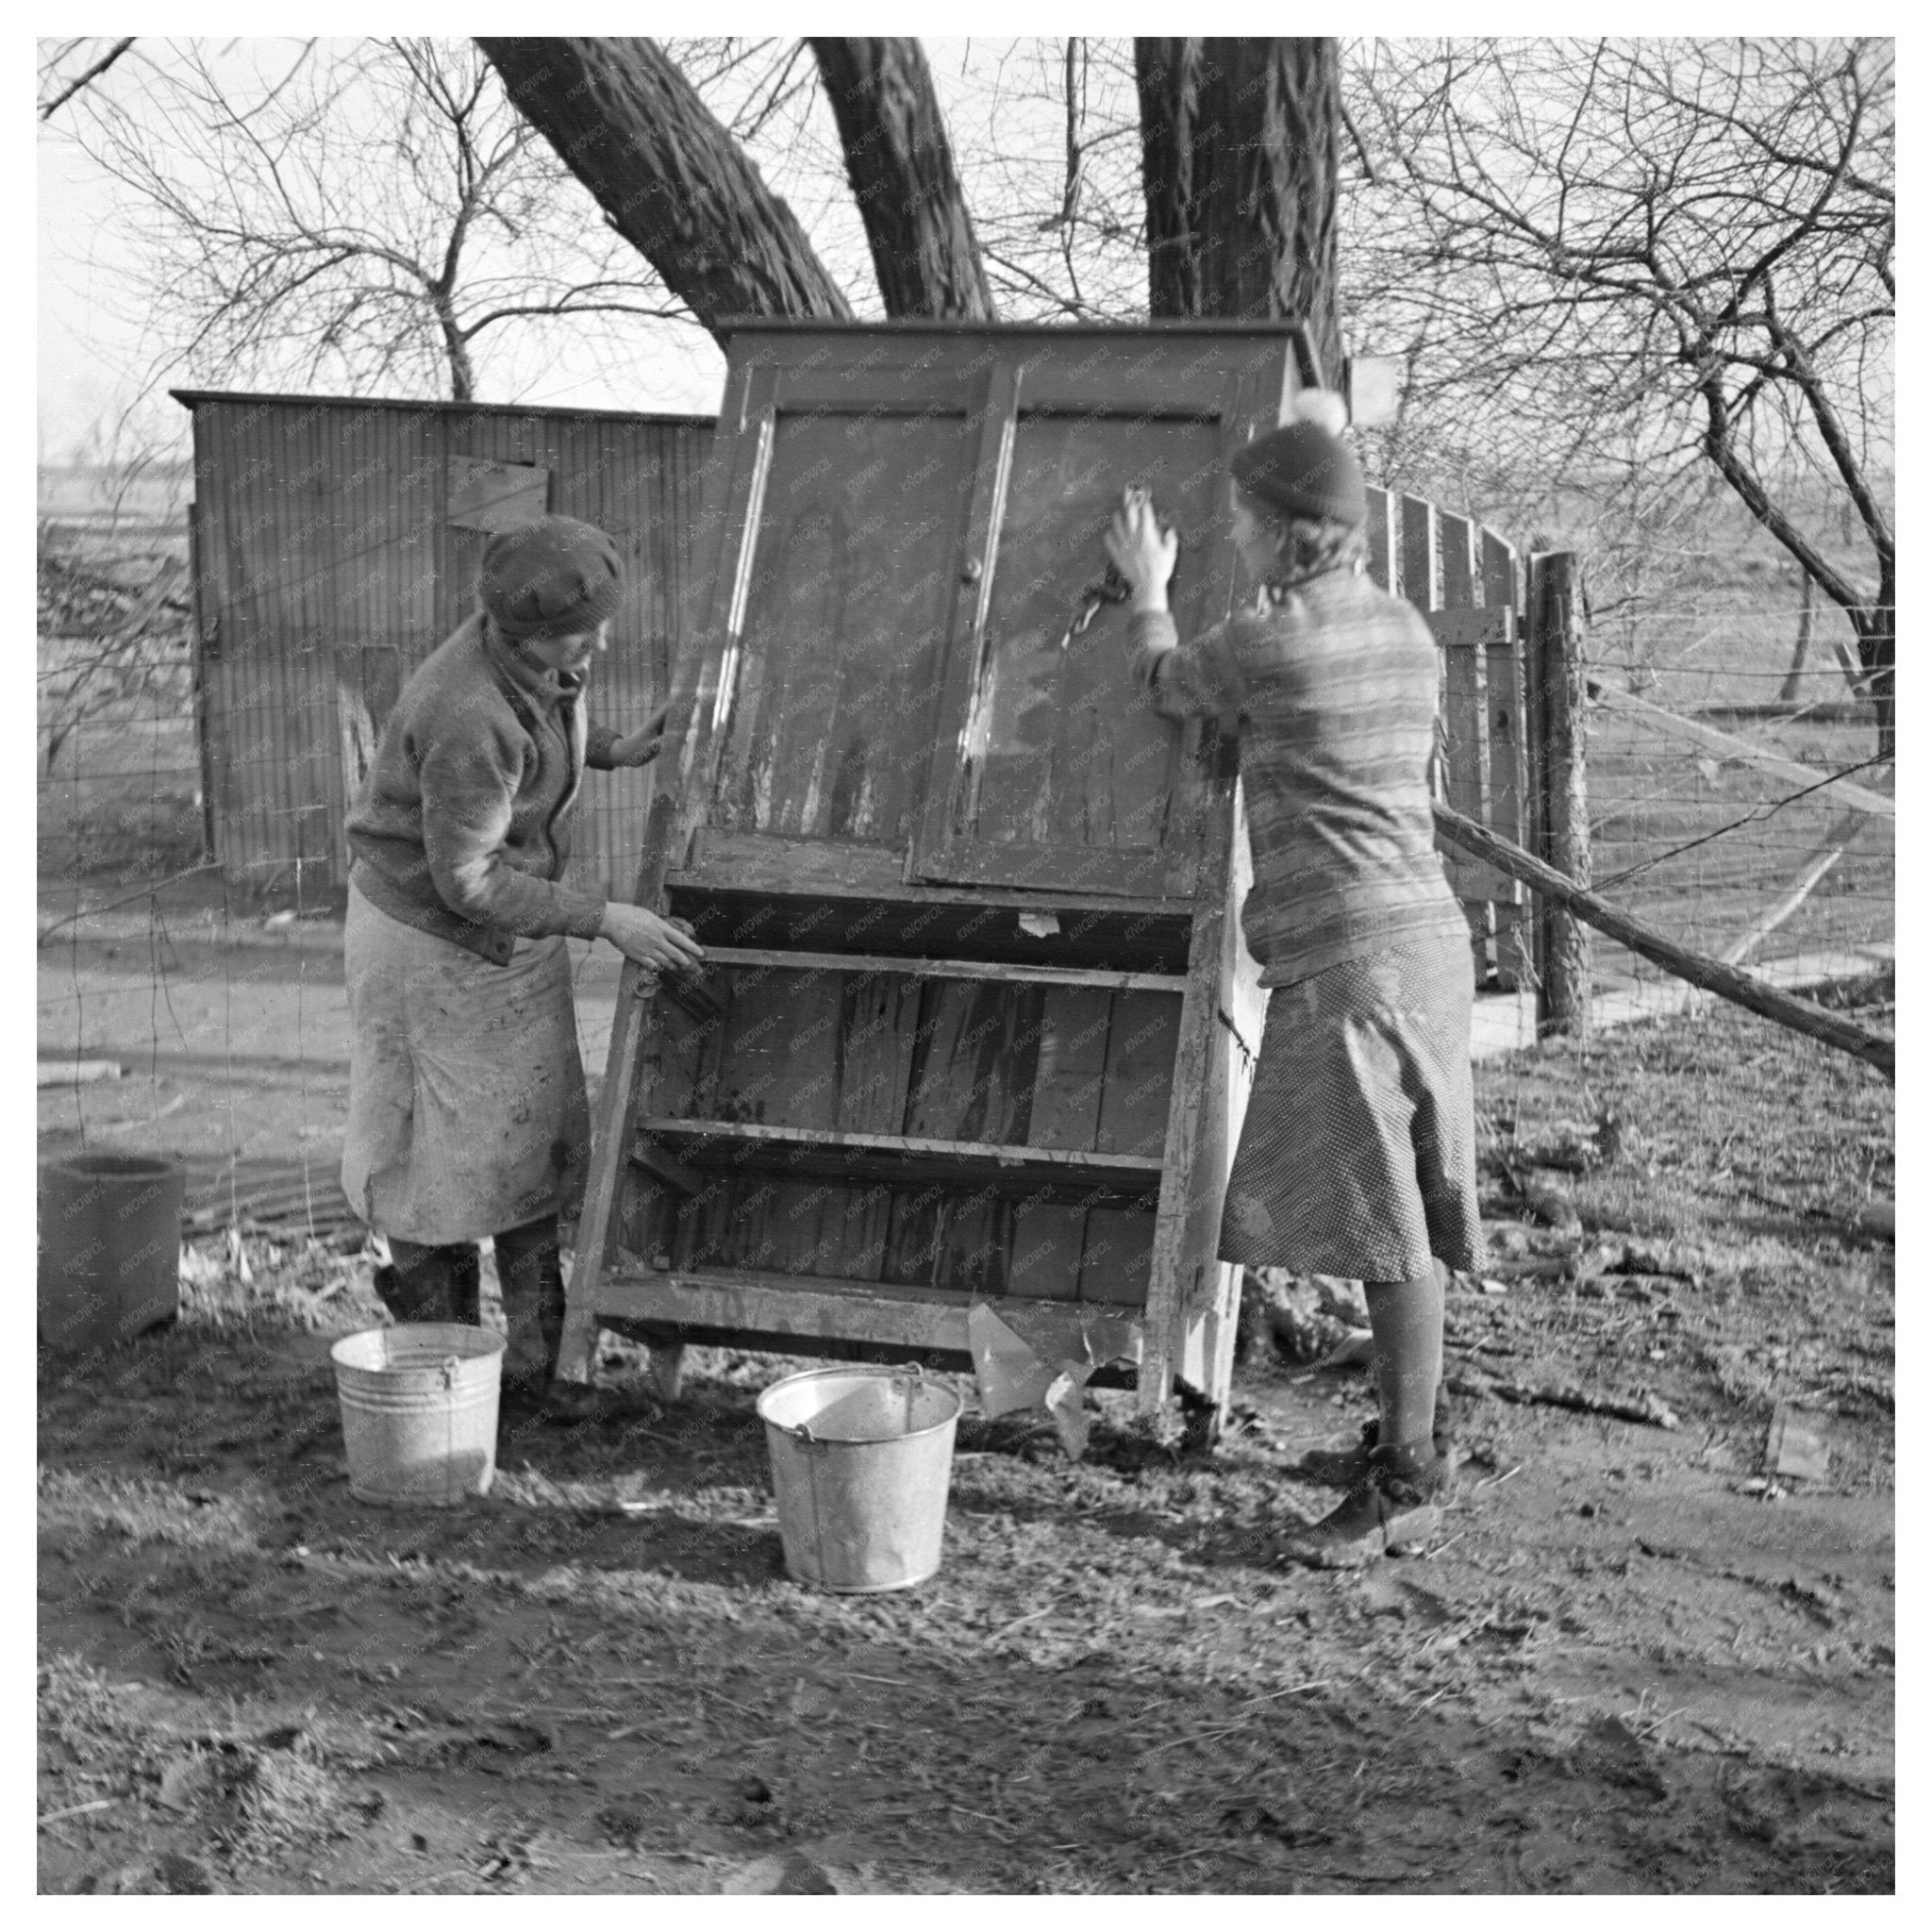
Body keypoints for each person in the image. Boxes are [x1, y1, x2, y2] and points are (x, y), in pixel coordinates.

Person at [1105, 397, 1484, 1566]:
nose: (1231, 531)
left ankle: (1405, 1477)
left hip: (1349, 962)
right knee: (1402, 1209)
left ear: (1277, 530)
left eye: (1239, 517)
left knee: (1385, 1228)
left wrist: (1146, 582)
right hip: (1425, 944)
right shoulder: (1404, 631)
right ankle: (1406, 1434)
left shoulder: (1273, 643)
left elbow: (1168, 683)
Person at [340, 514, 703, 1415]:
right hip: (430, 945)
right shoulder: (468, 713)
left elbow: (552, 717)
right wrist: (601, 917)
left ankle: (538, 1369)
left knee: (529, 1144)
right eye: (586, 628)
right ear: (522, 628)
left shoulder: (527, 662)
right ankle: (440, 1367)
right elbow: (466, 880)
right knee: (436, 1159)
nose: (602, 640)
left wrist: (619, 746)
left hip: (504, 931)